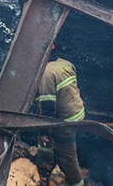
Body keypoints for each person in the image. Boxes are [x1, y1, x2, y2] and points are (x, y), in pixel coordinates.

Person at [35, 46, 86, 186]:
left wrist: (45, 131)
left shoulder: (46, 73)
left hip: (65, 122)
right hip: (77, 114)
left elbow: (48, 107)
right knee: (50, 145)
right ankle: (45, 166)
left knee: (68, 157)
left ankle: (76, 182)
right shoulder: (65, 63)